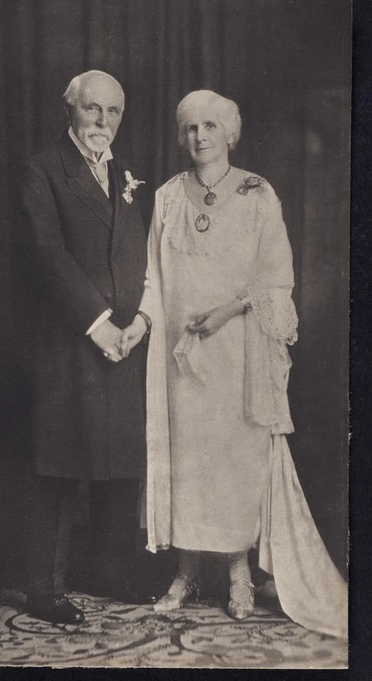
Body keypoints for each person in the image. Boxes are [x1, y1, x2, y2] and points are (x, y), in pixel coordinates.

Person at [121, 90, 347, 638]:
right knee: (189, 456)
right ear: (182, 136)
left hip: (236, 349)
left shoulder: (257, 192)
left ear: (229, 133)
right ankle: (185, 572)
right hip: (180, 353)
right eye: (191, 128)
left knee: (233, 457)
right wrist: (142, 325)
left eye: (211, 127)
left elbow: (276, 279)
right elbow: (153, 276)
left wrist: (226, 311)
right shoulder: (171, 195)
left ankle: (239, 571)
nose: (200, 136)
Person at [20, 70, 151, 624]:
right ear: (69, 110)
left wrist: (138, 321)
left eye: (113, 112)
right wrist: (98, 324)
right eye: (92, 110)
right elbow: (47, 255)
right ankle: (44, 590)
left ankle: (111, 571)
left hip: (125, 340)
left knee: (118, 461)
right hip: (71, 341)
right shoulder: (43, 170)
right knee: (60, 464)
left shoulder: (123, 171)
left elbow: (141, 254)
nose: (102, 122)